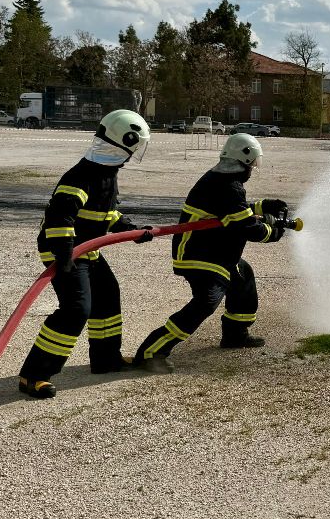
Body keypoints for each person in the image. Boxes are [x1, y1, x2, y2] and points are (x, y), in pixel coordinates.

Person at [18, 109, 153, 399]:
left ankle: (106, 359)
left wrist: (129, 228)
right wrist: (64, 256)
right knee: (76, 309)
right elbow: (60, 217)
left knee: (108, 296)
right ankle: (34, 375)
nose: (133, 155)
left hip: (86, 248)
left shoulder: (106, 173)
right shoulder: (82, 175)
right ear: (124, 143)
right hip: (63, 249)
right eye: (134, 148)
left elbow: (103, 212)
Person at [134, 133, 288, 371]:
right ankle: (151, 351)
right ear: (244, 162)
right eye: (251, 165)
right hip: (198, 254)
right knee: (207, 301)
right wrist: (274, 232)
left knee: (242, 277)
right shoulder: (228, 186)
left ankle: (235, 334)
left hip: (216, 252)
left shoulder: (221, 179)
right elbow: (247, 227)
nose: (252, 171)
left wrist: (262, 206)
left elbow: (231, 211)